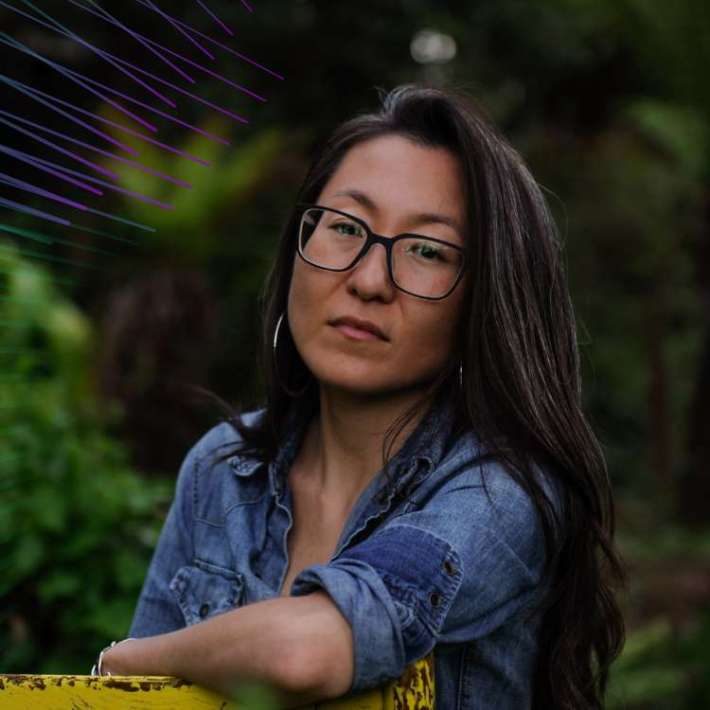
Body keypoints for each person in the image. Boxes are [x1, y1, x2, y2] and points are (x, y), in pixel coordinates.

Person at [95, 84, 626, 709]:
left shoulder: (499, 491)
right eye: (345, 228)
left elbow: (305, 651)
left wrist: (123, 660)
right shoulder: (220, 472)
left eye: (428, 251)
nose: (369, 280)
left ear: (483, 302)